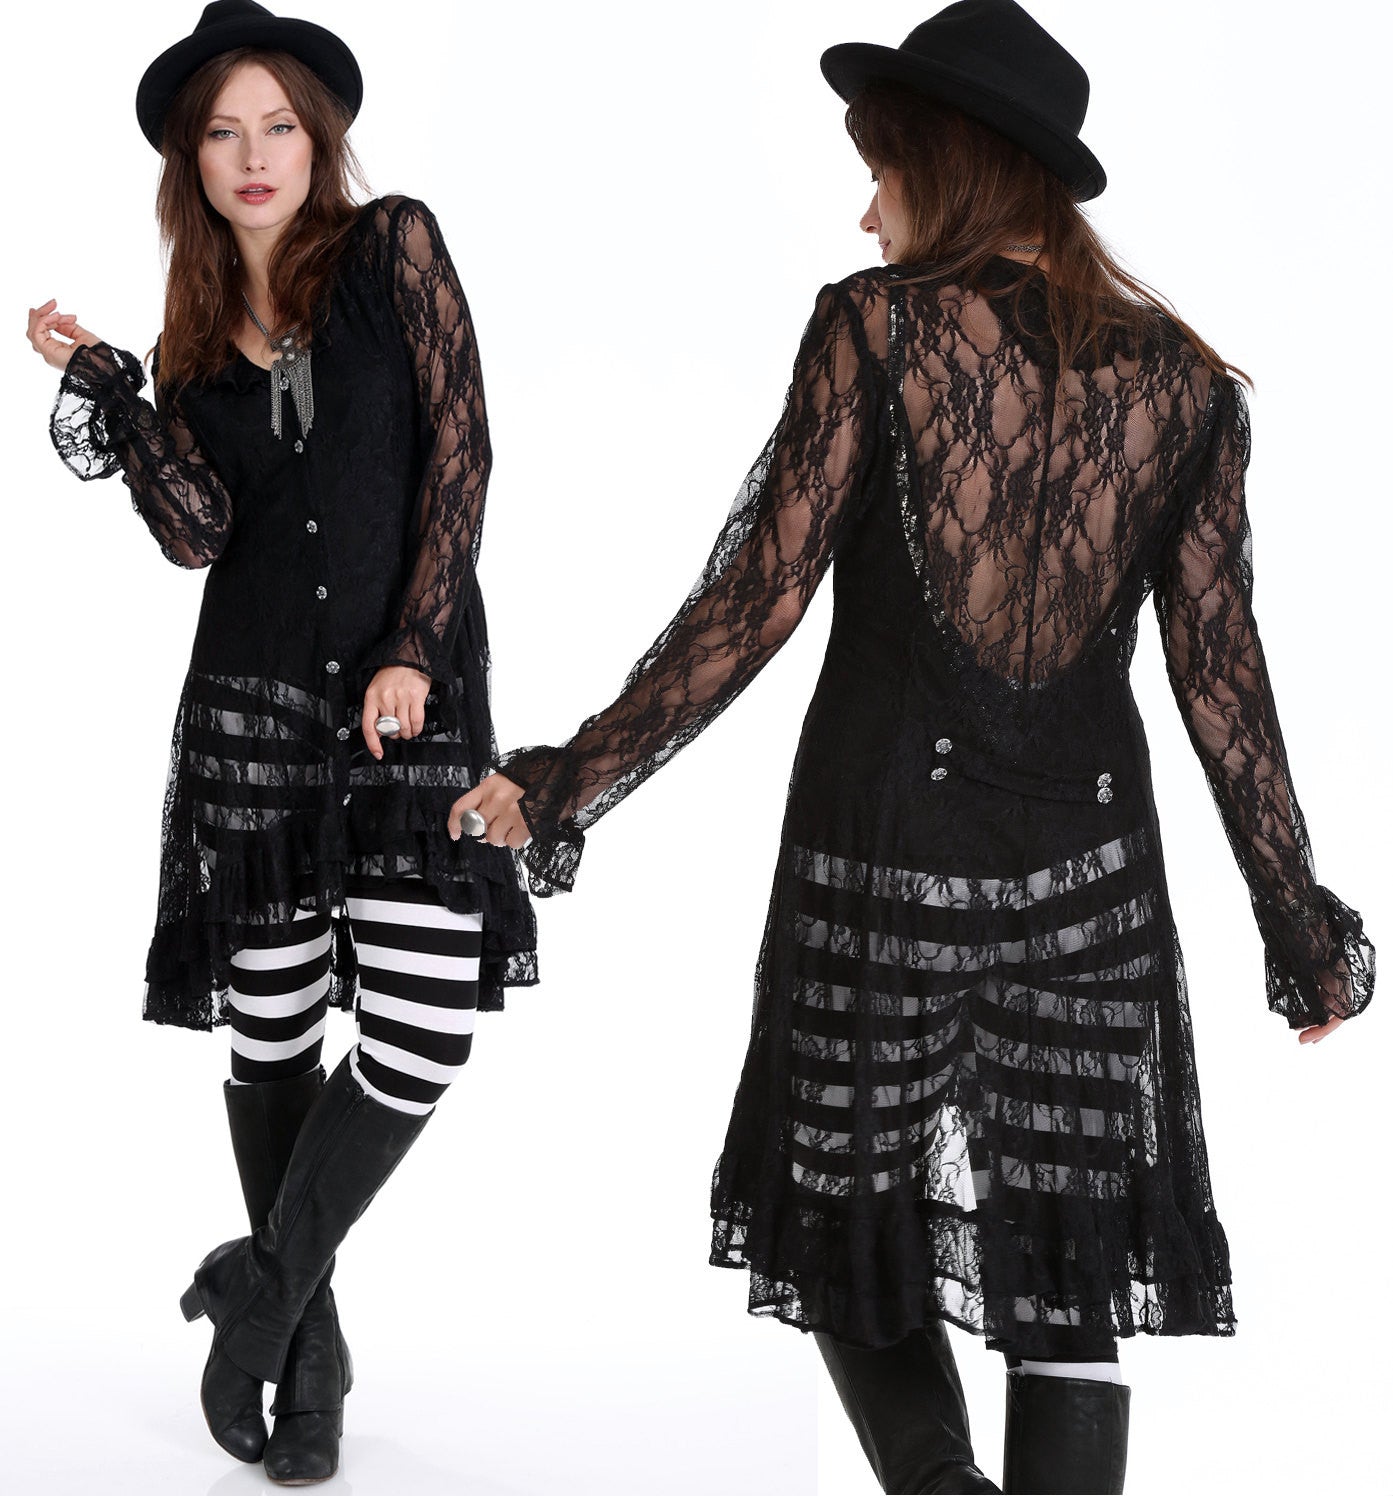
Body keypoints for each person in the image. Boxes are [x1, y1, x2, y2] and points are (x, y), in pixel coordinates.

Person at [450, 2, 1375, 1492]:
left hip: (883, 851)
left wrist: (569, 779)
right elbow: (1223, 676)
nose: (865, 207)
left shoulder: (874, 326)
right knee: (1065, 1263)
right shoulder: (1189, 385)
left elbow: (754, 598)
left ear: (948, 164)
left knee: (842, 1214)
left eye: (880, 170)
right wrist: (1297, 922)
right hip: (1087, 875)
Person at [26, 0, 537, 1484]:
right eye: (223, 133)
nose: (254, 155)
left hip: (403, 710)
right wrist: (116, 392)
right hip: (252, 720)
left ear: (319, 141)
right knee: (274, 1030)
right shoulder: (190, 343)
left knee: (422, 1027)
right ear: (190, 161)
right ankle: (308, 1360)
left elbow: (463, 451)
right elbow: (198, 535)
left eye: (279, 127)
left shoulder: (394, 251)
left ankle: (253, 1299)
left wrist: (413, 647)